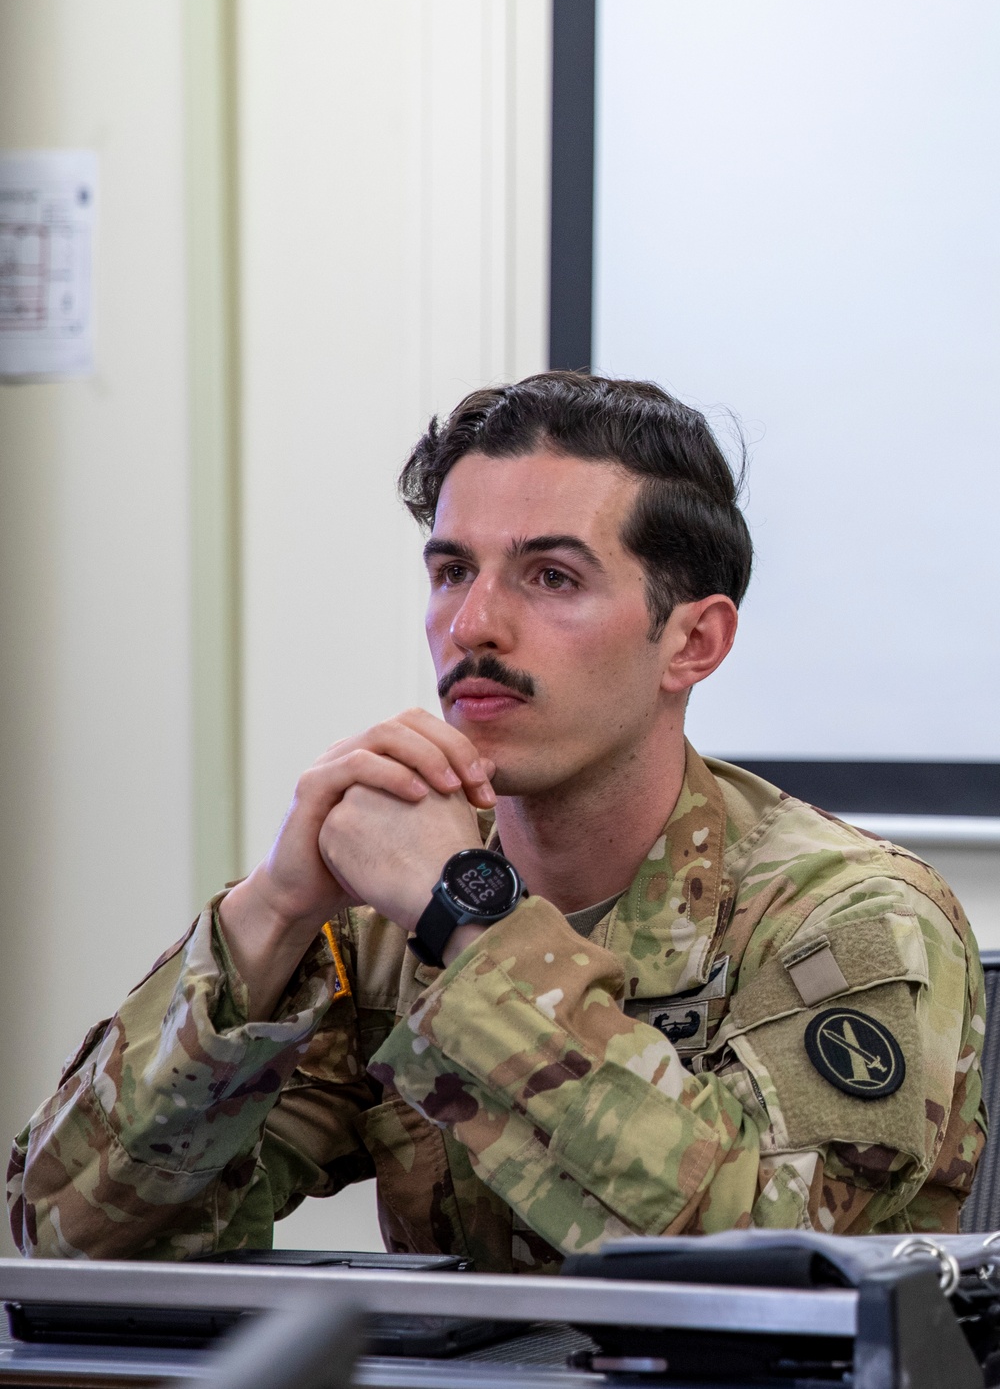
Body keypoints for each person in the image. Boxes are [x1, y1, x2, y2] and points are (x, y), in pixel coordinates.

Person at [8, 374, 986, 1268]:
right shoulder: (379, 918)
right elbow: (60, 1238)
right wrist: (272, 910)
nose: (472, 623)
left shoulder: (845, 918)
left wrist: (472, 922)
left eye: (549, 577)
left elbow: (777, 1268)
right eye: (448, 571)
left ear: (692, 641)